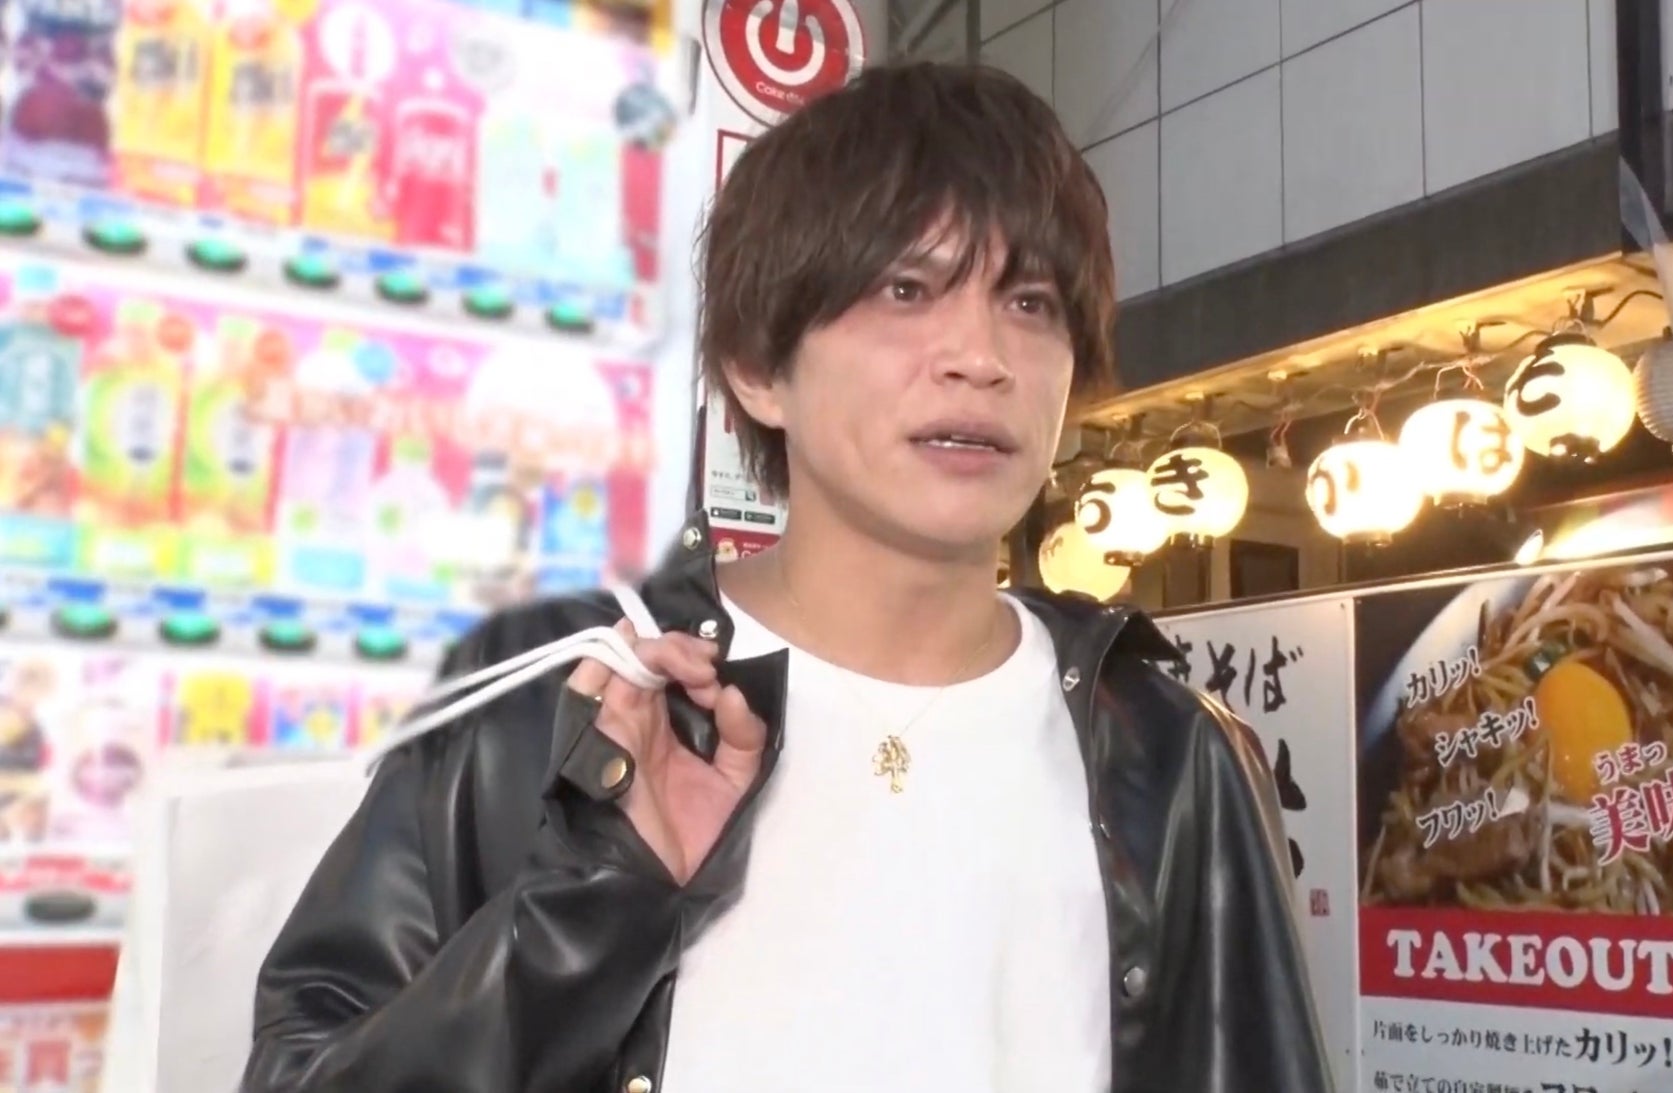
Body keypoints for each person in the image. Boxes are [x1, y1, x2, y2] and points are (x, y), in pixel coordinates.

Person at [244, 61, 1330, 1093]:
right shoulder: (574, 695)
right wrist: (593, 899)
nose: (981, 357)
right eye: (907, 289)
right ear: (760, 367)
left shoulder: (1164, 752)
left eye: (1032, 302)